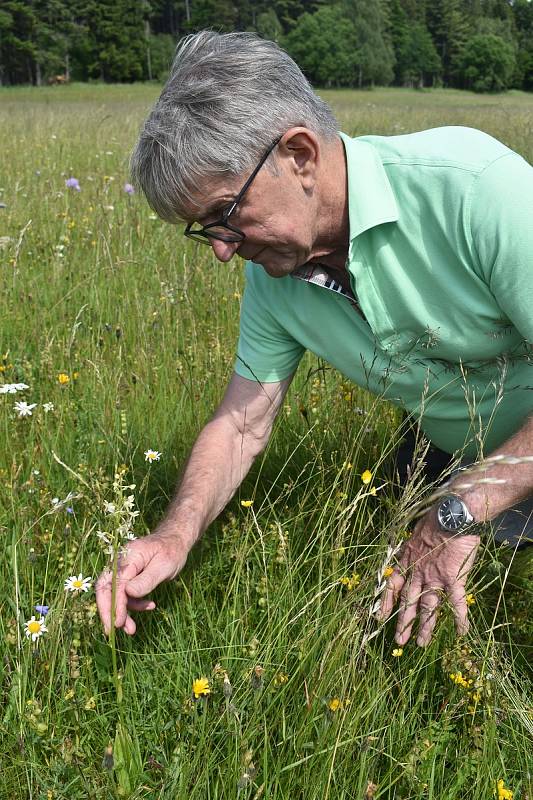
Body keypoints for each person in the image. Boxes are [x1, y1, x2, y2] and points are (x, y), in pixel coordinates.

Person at [96, 30, 533, 648]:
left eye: (226, 215)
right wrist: (175, 533)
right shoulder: (275, 277)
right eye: (205, 232)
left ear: (300, 154)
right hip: (449, 450)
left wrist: (463, 506)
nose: (222, 251)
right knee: (384, 626)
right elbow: (241, 425)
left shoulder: (473, 189)